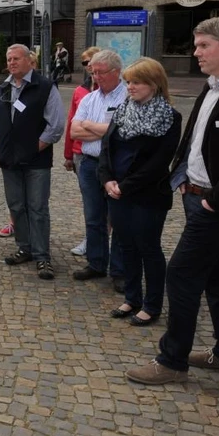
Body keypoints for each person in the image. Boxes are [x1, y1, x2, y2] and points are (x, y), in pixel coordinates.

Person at [127, 16, 219, 385]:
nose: (196, 53)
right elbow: (196, 139)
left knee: (181, 274)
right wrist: (181, 175)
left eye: (203, 45)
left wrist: (215, 199)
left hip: (215, 204)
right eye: (196, 46)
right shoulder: (211, 87)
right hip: (194, 196)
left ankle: (172, 359)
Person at [99, 58, 181, 327]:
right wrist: (108, 179)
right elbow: (107, 148)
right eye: (128, 82)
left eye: (136, 82)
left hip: (147, 195)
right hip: (117, 192)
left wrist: (126, 185)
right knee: (126, 247)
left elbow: (159, 162)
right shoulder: (122, 110)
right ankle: (132, 298)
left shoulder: (170, 117)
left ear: (154, 84)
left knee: (148, 249)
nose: (130, 87)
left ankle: (152, 305)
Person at [0, 44, 65, 281]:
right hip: (9, 161)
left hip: (36, 161)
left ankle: (42, 256)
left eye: (16, 58)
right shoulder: (1, 89)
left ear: (30, 61)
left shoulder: (45, 87)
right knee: (16, 206)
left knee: (37, 208)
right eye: (9, 59)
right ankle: (24, 248)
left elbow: (56, 126)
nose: (11, 62)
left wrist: (33, 149)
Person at [70, 50, 130, 289]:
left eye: (101, 72)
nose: (96, 77)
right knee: (93, 218)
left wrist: (89, 126)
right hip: (89, 163)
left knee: (118, 218)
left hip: (117, 166)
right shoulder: (89, 98)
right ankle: (96, 263)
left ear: (116, 72)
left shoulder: (127, 96)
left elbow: (123, 133)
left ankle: (119, 270)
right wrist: (104, 129)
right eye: (93, 72)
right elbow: (74, 132)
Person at [65, 47, 103, 257]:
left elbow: (116, 130)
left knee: (109, 204)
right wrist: (68, 155)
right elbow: (72, 125)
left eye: (92, 61)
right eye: (85, 62)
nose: (89, 66)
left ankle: (104, 239)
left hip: (107, 156)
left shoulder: (118, 92)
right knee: (90, 203)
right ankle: (91, 240)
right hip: (81, 154)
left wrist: (88, 128)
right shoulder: (80, 91)